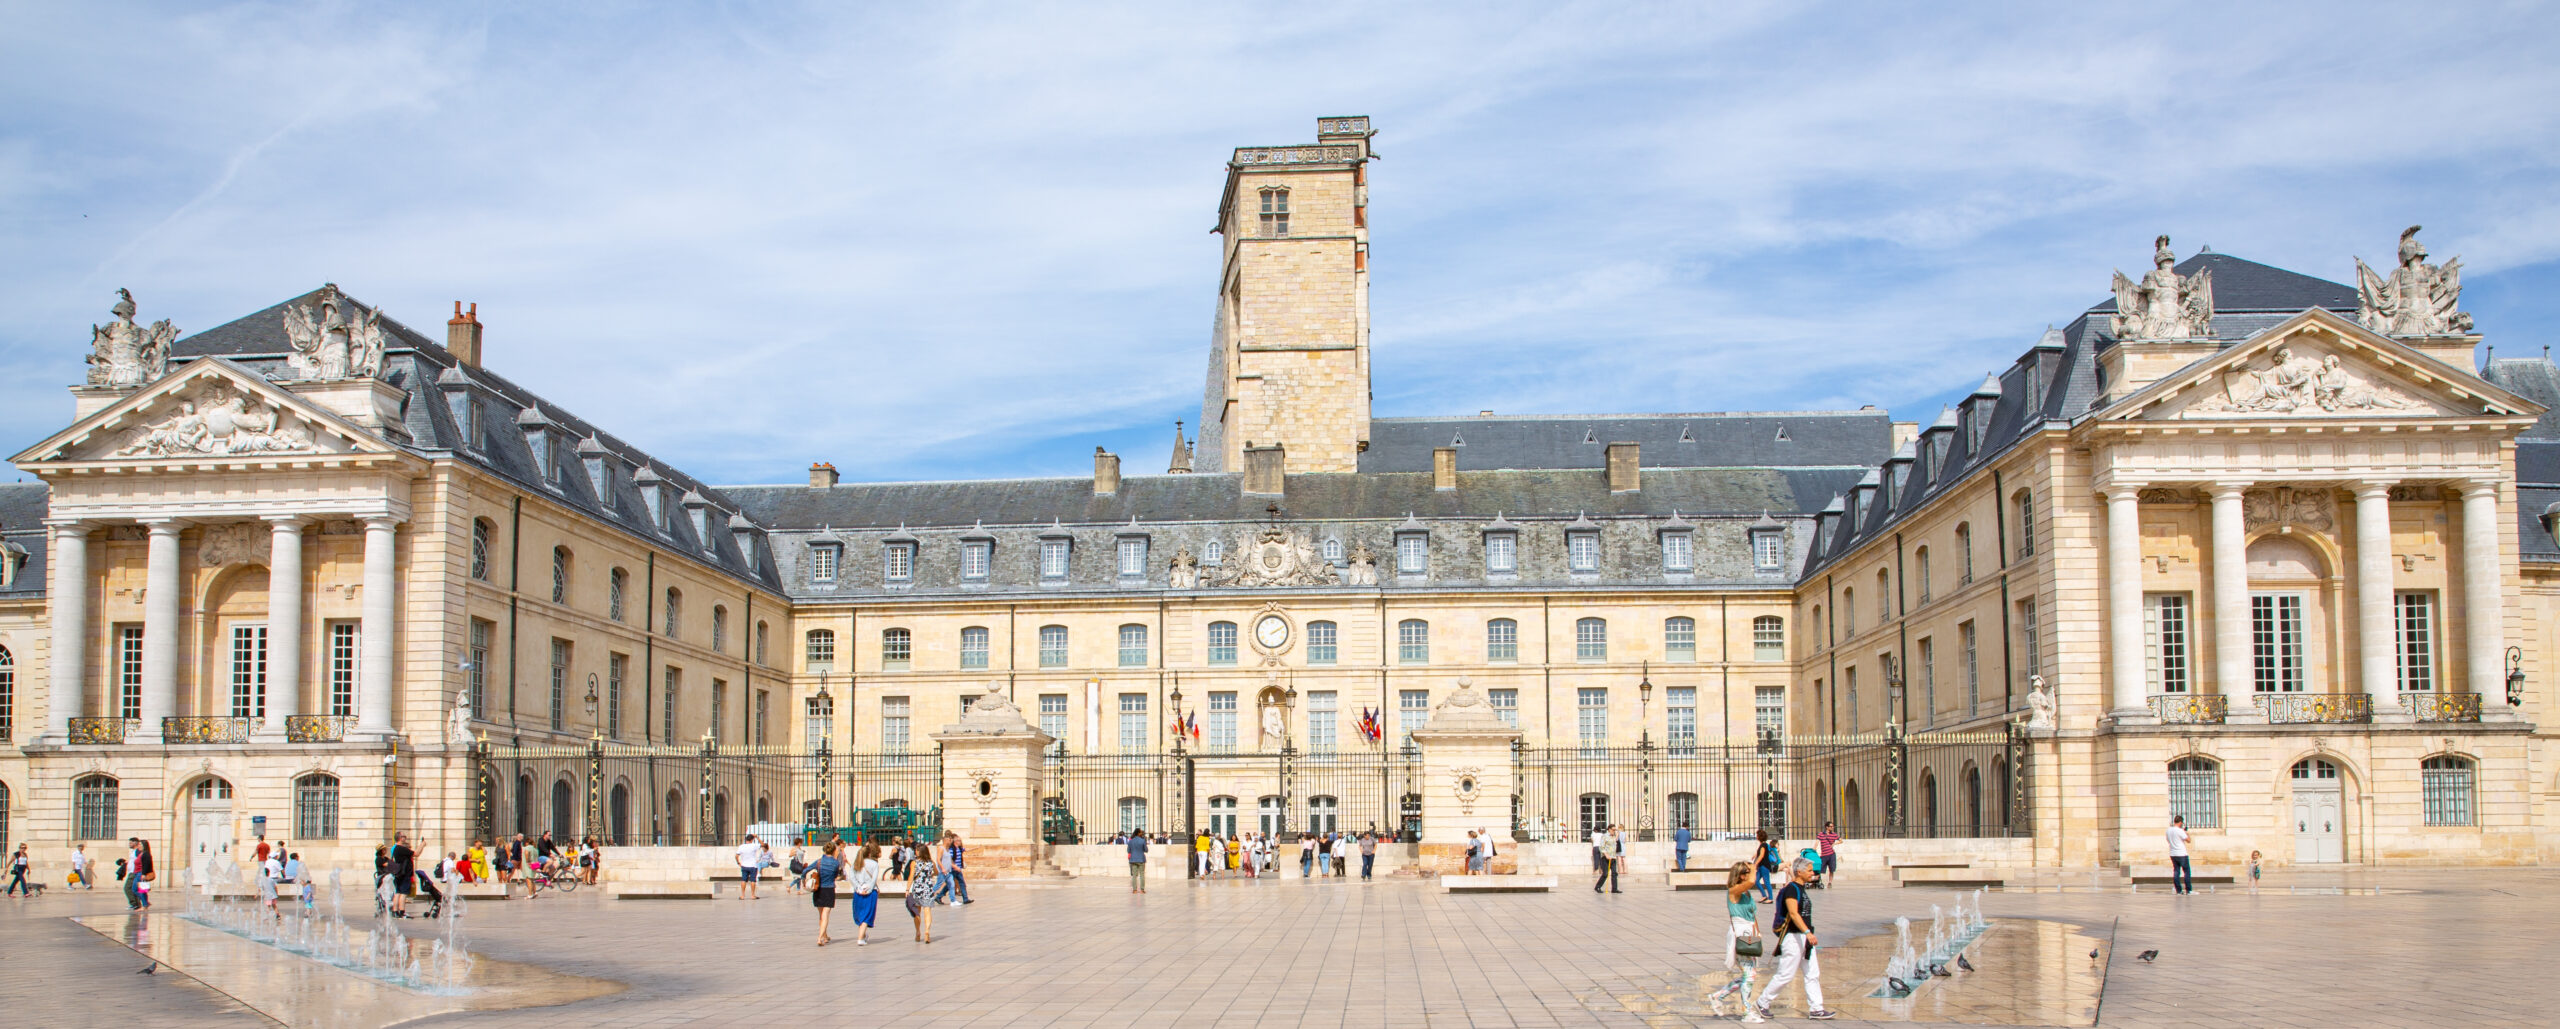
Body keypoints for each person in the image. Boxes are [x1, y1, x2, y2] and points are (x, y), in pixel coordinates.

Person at [1754, 857, 1836, 1020]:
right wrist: (1807, 932)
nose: (1813, 873)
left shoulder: (1801, 888)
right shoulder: (1792, 889)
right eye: (1810, 870)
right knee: (1786, 974)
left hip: (1804, 938)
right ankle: (1762, 1001)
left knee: (1812, 973)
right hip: (1793, 937)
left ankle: (1816, 1008)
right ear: (1800, 872)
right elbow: (1793, 913)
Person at [1706, 861, 1763, 1021]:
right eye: (1745, 872)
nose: (1748, 875)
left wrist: (1758, 933)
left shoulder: (1746, 893)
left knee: (1748, 974)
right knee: (1749, 975)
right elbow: (1752, 881)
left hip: (1749, 933)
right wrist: (1754, 868)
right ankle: (1746, 1011)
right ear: (1739, 875)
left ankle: (1718, 996)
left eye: (1748, 872)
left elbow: (1752, 913)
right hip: (1740, 933)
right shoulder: (1734, 891)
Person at [807, 839, 843, 946]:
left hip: (818, 890)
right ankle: (820, 938)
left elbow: (806, 870)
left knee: (821, 915)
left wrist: (804, 879)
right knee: (826, 915)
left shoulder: (819, 861)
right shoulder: (835, 863)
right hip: (829, 890)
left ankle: (825, 936)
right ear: (833, 851)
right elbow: (837, 875)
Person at [848, 842, 884, 945]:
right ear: (869, 854)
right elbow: (873, 879)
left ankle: (863, 935)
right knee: (867, 915)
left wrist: (858, 888)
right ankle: (860, 938)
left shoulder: (856, 863)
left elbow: (852, 878)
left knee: (860, 914)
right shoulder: (874, 864)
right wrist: (868, 889)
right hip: (871, 892)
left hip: (858, 892)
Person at [907, 836, 942, 943]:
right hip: (928, 889)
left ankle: (918, 932)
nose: (915, 852)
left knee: (917, 912)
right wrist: (929, 874)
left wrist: (907, 889)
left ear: (920, 852)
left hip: (918, 889)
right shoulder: (931, 863)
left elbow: (911, 877)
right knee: (927, 911)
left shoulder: (914, 863)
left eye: (916, 851)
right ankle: (927, 931)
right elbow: (936, 872)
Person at [389, 833, 418, 917]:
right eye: (403, 836)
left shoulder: (394, 848)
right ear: (400, 838)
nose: (405, 837)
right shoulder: (401, 848)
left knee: (398, 892)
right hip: (404, 874)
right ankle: (402, 912)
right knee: (403, 893)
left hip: (398, 873)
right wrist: (422, 845)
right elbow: (416, 854)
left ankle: (395, 911)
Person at [2166, 815, 2193, 895]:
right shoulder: (2180, 831)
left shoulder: (2168, 830)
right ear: (2181, 822)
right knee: (2187, 871)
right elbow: (2189, 840)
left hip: (2173, 853)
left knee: (2176, 871)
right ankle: (2189, 890)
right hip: (2181, 853)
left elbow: (2168, 841)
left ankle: (2178, 890)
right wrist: (2187, 833)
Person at [943, 832, 972, 905]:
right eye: (959, 841)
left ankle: (965, 899)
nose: (960, 842)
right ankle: (939, 896)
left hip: (958, 869)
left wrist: (977, 848)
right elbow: (950, 859)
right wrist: (955, 866)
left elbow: (966, 850)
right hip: (953, 870)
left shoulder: (959, 848)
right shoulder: (952, 849)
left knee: (961, 883)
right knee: (950, 884)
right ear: (955, 842)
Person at [1750, 830, 1778, 904]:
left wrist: (1755, 864)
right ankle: (1764, 895)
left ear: (1760, 836)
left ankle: (1771, 898)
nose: (1756, 836)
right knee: (1756, 881)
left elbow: (1762, 855)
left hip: (1764, 866)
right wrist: (1754, 855)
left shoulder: (1764, 845)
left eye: (1757, 835)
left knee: (1767, 882)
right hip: (1761, 866)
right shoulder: (1763, 845)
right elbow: (1759, 852)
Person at [736, 833, 765, 900]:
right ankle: (752, 895)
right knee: (753, 880)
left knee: (743, 880)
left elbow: (736, 856)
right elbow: (763, 844)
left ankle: (742, 895)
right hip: (753, 865)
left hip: (744, 865)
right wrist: (757, 837)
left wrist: (738, 863)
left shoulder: (741, 846)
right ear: (752, 839)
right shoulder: (754, 845)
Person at [1814, 822, 1841, 888]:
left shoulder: (1834, 834)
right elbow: (1817, 842)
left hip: (1831, 854)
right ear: (1827, 827)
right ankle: (1816, 881)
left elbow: (1841, 840)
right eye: (1831, 826)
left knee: (1831, 869)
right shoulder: (1821, 834)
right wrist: (1814, 848)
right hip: (1824, 855)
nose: (1832, 828)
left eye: (1833, 826)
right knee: (1820, 869)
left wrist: (1835, 844)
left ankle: (1830, 882)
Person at [132, 839, 157, 909]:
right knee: (141, 890)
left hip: (141, 874)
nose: (138, 846)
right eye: (138, 844)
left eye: (140, 844)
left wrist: (143, 874)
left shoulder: (146, 854)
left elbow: (146, 864)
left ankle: (145, 904)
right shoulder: (141, 853)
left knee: (136, 889)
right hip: (138, 873)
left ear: (144, 846)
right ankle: (145, 903)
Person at [122, 838, 145, 909]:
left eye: (131, 843)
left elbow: (140, 861)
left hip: (134, 873)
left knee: (127, 888)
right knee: (134, 889)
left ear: (135, 843)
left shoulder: (137, 851)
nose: (129, 844)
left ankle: (136, 904)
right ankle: (138, 904)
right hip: (133, 872)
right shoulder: (134, 851)